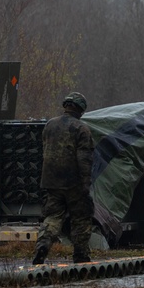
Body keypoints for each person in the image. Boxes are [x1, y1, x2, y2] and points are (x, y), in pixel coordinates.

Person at [34, 92, 96, 264]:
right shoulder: (81, 129)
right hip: (73, 182)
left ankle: (43, 244)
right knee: (81, 217)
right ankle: (81, 255)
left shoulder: (49, 125)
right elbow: (84, 160)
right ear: (81, 110)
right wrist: (85, 185)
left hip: (51, 181)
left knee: (53, 217)